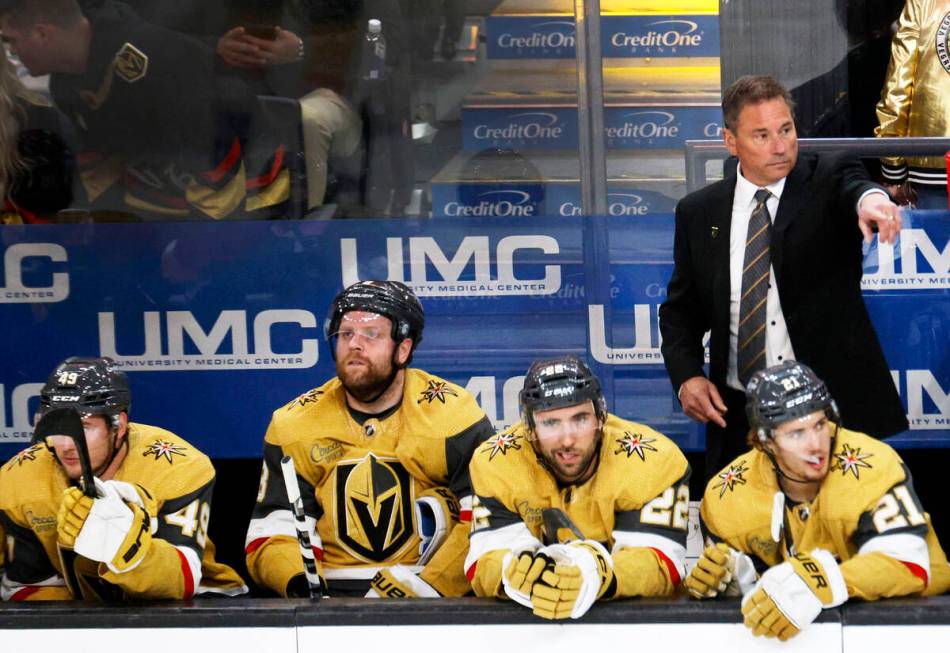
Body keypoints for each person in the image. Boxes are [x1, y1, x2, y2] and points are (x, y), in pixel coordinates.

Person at [659, 74, 908, 480]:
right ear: (730, 141)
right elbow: (681, 312)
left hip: (831, 419)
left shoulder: (824, 181)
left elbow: (854, 186)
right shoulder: (698, 213)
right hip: (740, 419)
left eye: (786, 130)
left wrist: (873, 200)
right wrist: (687, 376)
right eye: (761, 135)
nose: (779, 146)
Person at [245, 280, 495, 597]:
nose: (354, 344)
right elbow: (273, 528)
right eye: (346, 333)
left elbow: (488, 520)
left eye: (371, 334)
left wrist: (426, 588)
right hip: (330, 593)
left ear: (403, 349)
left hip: (431, 595)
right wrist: (297, 580)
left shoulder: (453, 416)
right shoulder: (295, 423)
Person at [684, 361, 950, 641]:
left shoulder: (871, 464)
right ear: (764, 442)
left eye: (820, 424)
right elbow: (760, 594)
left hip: (902, 632)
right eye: (796, 433)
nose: (816, 444)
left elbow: (908, 564)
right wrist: (738, 576)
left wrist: (819, 580)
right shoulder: (729, 494)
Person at [0, 0, 289, 220]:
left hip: (250, 195)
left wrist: (194, 253)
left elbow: (221, 160)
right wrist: (94, 220)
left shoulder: (155, 65)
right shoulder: (65, 85)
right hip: (163, 194)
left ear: (41, 34)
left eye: (11, 41)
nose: (11, 53)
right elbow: (101, 162)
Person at [0, 357, 247, 600]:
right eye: (56, 426)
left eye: (83, 427)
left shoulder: (176, 468)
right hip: (86, 616)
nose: (66, 444)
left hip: (197, 609)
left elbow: (182, 579)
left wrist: (129, 550)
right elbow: (31, 586)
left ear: (118, 425)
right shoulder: (19, 479)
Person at [465, 356, 690, 620]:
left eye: (580, 419)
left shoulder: (654, 459)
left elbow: (662, 566)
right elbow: (485, 562)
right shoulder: (496, 461)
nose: (568, 439)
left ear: (601, 415)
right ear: (529, 427)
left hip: (630, 628)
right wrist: (514, 573)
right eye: (550, 423)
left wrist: (597, 572)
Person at [875, 0, 950, 209]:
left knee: (936, 237)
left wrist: (893, 169)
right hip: (933, 165)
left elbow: (898, 87)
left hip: (933, 161)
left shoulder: (922, 3)